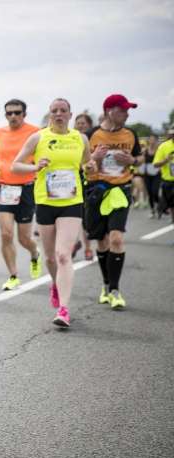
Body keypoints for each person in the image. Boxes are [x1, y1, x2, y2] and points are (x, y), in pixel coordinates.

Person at [12, 98, 90, 328]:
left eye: (63, 110)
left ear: (70, 114)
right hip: (45, 201)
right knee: (49, 257)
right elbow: (16, 165)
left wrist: (91, 165)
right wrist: (35, 167)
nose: (58, 114)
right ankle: (55, 284)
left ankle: (64, 309)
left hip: (72, 201)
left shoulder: (80, 138)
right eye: (54, 110)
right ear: (49, 114)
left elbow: (86, 165)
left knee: (63, 254)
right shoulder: (39, 137)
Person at [84, 94, 142, 310]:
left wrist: (132, 160)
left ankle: (116, 290)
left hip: (121, 189)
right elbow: (83, 166)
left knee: (116, 239)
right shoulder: (91, 135)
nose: (127, 114)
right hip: (97, 191)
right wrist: (94, 160)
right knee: (101, 241)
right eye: (123, 110)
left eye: (128, 110)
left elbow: (140, 158)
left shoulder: (130, 134)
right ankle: (106, 285)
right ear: (110, 111)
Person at [0, 99, 41, 290]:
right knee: (6, 234)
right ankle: (13, 275)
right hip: (5, 188)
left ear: (24, 114)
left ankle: (35, 253)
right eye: (9, 113)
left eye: (17, 112)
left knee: (24, 238)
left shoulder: (36, 132)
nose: (13, 116)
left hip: (27, 187)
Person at [74, 112, 95, 260]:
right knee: (79, 217)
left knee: (88, 219)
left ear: (89, 125)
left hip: (95, 182)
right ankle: (84, 246)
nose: (80, 126)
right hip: (78, 182)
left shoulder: (93, 138)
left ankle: (81, 244)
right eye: (78, 123)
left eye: (83, 123)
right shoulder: (71, 139)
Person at [152, 127, 174, 223]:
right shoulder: (163, 146)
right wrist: (166, 160)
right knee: (172, 202)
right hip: (168, 179)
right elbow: (155, 164)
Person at [142, 134, 161, 218]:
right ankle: (152, 210)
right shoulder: (145, 150)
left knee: (155, 191)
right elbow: (141, 161)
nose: (152, 141)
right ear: (148, 140)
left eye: (154, 139)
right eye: (150, 139)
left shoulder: (159, 150)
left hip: (157, 174)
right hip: (147, 174)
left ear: (157, 141)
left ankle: (159, 205)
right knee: (150, 192)